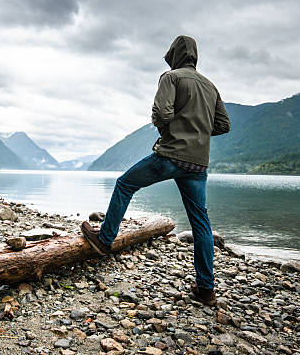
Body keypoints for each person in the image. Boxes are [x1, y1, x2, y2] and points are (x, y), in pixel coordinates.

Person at [81, 35, 230, 305]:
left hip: (170, 155)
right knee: (201, 225)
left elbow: (162, 112)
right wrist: (197, 133)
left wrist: (171, 131)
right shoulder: (211, 86)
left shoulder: (170, 78)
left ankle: (104, 239)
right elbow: (223, 124)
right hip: (197, 165)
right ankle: (206, 291)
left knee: (125, 184)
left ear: (174, 55)